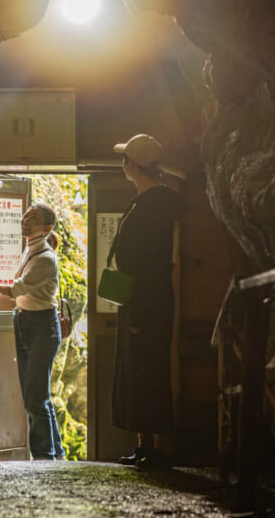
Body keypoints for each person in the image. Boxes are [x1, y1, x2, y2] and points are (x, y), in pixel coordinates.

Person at [108, 134, 185, 468]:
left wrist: (137, 304)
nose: (122, 164)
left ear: (131, 165)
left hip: (147, 296)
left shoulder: (155, 204)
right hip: (136, 292)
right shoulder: (144, 200)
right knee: (133, 368)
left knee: (147, 368)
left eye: (125, 159)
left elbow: (150, 261)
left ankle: (156, 448)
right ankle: (144, 443)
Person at [0, 202, 67, 461]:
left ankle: (44, 457)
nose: (25, 220)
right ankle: (56, 453)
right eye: (25, 215)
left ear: (47, 228)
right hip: (25, 322)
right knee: (34, 395)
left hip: (42, 327)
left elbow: (17, 289)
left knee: (35, 398)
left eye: (32, 218)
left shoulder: (46, 258)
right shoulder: (30, 250)